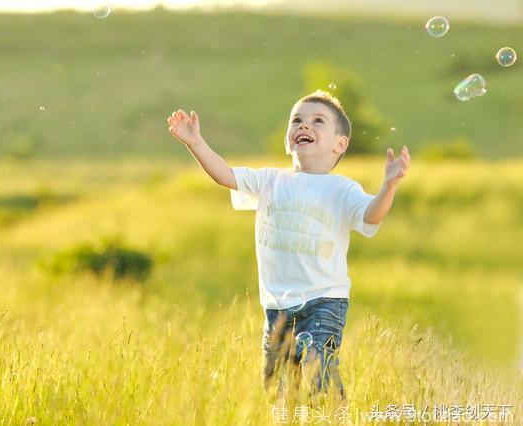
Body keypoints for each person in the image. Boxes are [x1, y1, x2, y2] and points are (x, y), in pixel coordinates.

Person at [166, 90, 410, 403]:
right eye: (297, 121)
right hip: (276, 305)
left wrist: (388, 186)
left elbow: (371, 214)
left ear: (339, 144)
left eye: (317, 121)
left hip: (324, 300)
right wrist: (195, 143)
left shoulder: (341, 189)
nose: (304, 126)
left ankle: (332, 413)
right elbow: (225, 176)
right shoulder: (270, 181)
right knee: (277, 389)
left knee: (317, 373)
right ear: (287, 141)